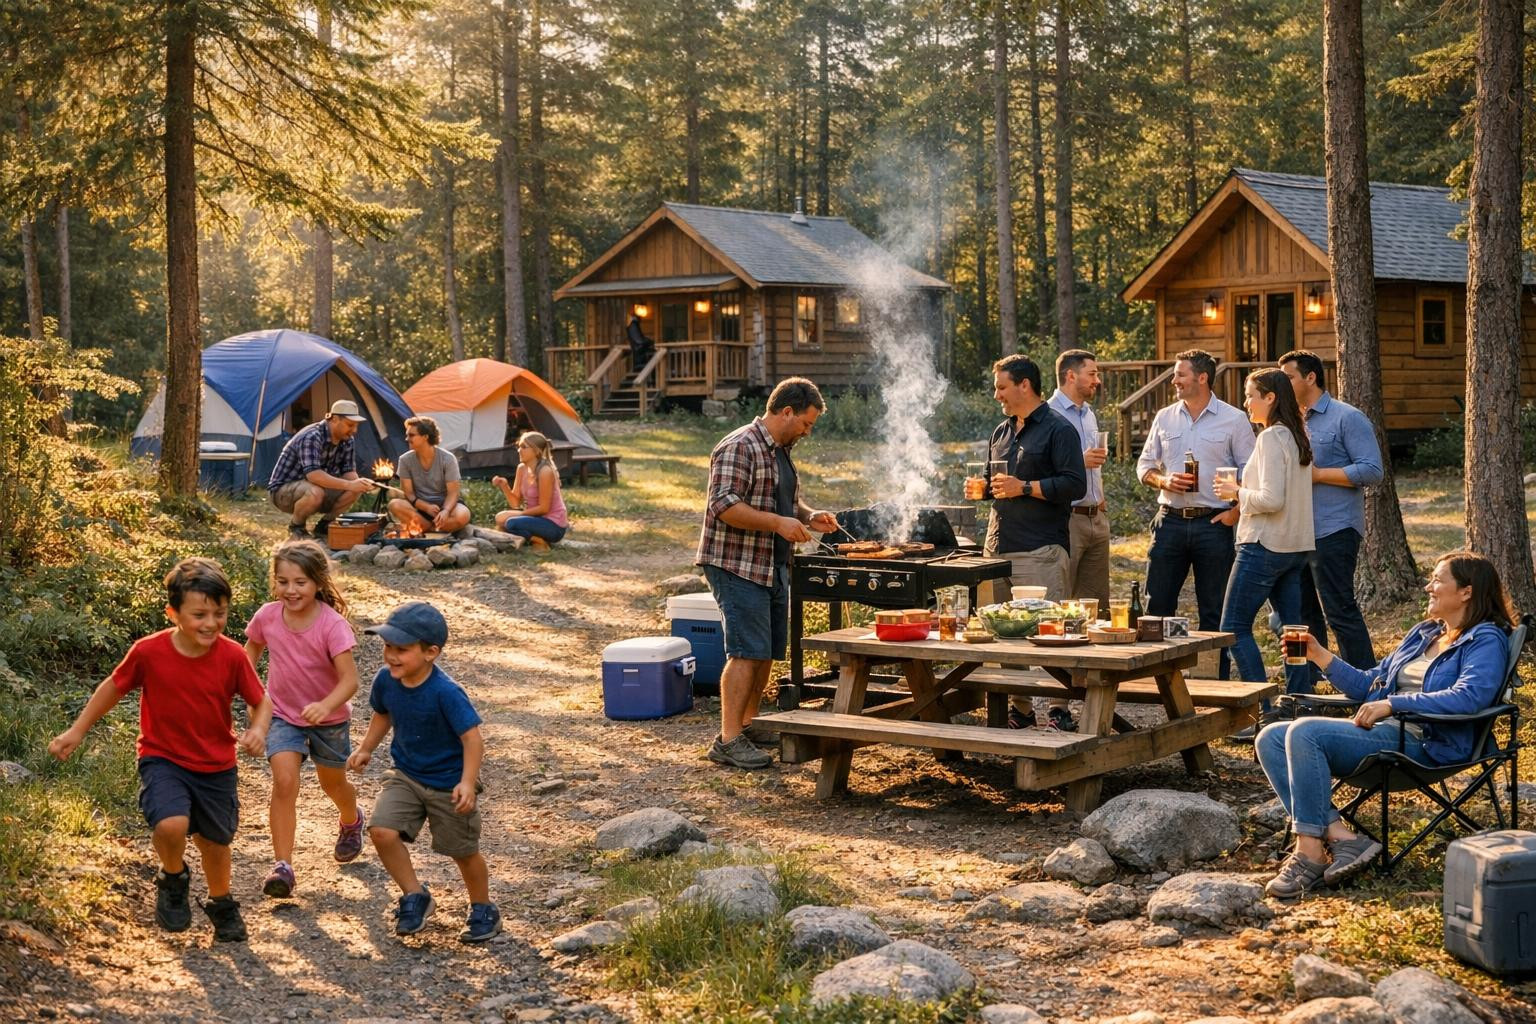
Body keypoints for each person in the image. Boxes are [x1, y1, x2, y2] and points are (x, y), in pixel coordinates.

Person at [1255, 551, 1516, 898]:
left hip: (1427, 743)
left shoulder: (1485, 639)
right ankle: (1341, 837)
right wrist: (1320, 655)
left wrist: (1394, 703)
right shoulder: (1424, 634)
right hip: (1387, 735)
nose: (1428, 586)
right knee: (1271, 737)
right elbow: (1370, 685)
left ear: (1466, 592)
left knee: (1305, 731)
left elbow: (1470, 697)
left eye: (1438, 579)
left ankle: (1309, 854)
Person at [47, 559, 272, 942]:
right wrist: (77, 731)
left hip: (216, 764)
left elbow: (260, 699)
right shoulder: (149, 651)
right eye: (199, 614)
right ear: (173, 613)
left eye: (220, 614)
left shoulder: (232, 655)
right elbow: (113, 687)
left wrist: (258, 729)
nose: (211, 623)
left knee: (216, 843)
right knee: (170, 824)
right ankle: (172, 878)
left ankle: (220, 901)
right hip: (162, 757)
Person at [696, 377, 838, 769]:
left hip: (772, 563)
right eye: (806, 423)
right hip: (736, 563)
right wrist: (777, 523)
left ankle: (749, 724)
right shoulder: (739, 445)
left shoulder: (780, 450)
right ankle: (727, 740)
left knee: (766, 653)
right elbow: (723, 506)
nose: (808, 432)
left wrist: (808, 515)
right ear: (787, 411)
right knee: (745, 652)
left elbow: (787, 500)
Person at [347, 602, 500, 943]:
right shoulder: (386, 680)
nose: (391, 656)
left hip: (450, 783)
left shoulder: (446, 692)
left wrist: (466, 782)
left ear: (431, 652)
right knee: (382, 830)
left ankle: (482, 907)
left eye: (401, 649)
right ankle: (415, 895)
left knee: (462, 851)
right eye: (388, 646)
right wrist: (366, 747)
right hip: (407, 774)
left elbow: (472, 739)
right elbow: (383, 714)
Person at [243, 540, 365, 899]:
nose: (290, 590)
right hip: (281, 714)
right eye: (282, 581)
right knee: (284, 781)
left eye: (300, 582)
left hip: (329, 720)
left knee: (333, 785)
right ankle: (283, 865)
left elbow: (350, 681)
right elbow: (247, 660)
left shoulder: (332, 625)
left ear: (317, 582)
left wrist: (326, 706)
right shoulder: (266, 616)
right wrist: (253, 703)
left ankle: (350, 818)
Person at [1136, 349, 1256, 678]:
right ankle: (1157, 677)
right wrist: (1164, 479)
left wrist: (1235, 512)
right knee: (1157, 603)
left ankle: (1210, 681)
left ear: (1202, 378)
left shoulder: (1234, 419)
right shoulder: (1165, 417)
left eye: (1180, 375)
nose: (1174, 380)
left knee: (1214, 610)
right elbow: (1144, 467)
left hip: (1213, 524)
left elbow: (1252, 472)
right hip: (1169, 521)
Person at [984, 354, 1087, 731]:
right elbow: (994, 483)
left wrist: (1025, 487)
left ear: (1024, 385)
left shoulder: (1059, 430)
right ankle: (1021, 709)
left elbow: (1075, 485)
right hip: (998, 547)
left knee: (1051, 631)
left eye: (1001, 387)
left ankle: (1061, 709)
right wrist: (980, 489)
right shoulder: (1001, 432)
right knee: (1006, 637)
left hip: (1040, 549)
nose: (997, 395)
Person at [1279, 349, 1384, 690]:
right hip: (1295, 531)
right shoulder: (1287, 419)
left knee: (1339, 610)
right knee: (1302, 611)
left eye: (1289, 377)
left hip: (1334, 527)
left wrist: (1320, 475)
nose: (1284, 383)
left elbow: (1372, 470)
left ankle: (1367, 683)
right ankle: (1309, 684)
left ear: (1310, 377)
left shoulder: (1346, 417)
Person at [1214, 368, 1315, 716]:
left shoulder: (1272, 438)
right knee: (1293, 629)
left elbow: (1272, 499)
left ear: (1270, 397)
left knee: (1233, 628)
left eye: (1250, 395)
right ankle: (1300, 700)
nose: (1246, 403)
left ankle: (1263, 707)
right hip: (1295, 547)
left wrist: (1236, 492)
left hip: (1264, 545)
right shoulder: (1297, 434)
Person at [1044, 349, 1110, 731]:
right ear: (1070, 376)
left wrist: (1101, 505)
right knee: (1064, 611)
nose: (1096, 379)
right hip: (1065, 519)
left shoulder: (1089, 414)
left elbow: (1094, 468)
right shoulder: (1049, 417)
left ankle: (1090, 695)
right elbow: (1040, 469)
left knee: (1093, 609)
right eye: (1092, 373)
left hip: (1095, 517)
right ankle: (1058, 704)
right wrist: (1078, 462)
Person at [268, 399, 376, 541]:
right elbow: (314, 476)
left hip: (316, 487)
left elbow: (348, 472)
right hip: (283, 492)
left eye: (356, 426)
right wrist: (350, 484)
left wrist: (360, 484)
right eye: (350, 425)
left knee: (356, 487)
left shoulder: (347, 439)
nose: (354, 431)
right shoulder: (312, 436)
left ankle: (324, 526)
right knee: (315, 492)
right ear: (335, 419)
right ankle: (297, 527)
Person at [389, 416, 471, 535]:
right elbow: (409, 494)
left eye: (411, 435)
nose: (407, 439)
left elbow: (453, 492)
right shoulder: (405, 460)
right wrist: (426, 507)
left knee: (463, 515)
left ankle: (425, 528)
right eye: (407, 435)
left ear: (425, 437)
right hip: (419, 508)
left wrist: (445, 511)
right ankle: (434, 527)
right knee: (395, 505)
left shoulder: (447, 459)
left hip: (446, 507)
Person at [492, 431, 570, 549]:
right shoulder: (522, 469)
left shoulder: (545, 471)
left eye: (524, 447)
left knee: (511, 523)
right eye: (518, 447)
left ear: (536, 451)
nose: (519, 450)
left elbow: (544, 509)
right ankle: (533, 539)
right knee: (500, 518)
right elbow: (515, 503)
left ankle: (539, 541)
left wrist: (518, 514)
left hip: (553, 525)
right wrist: (504, 486)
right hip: (535, 519)